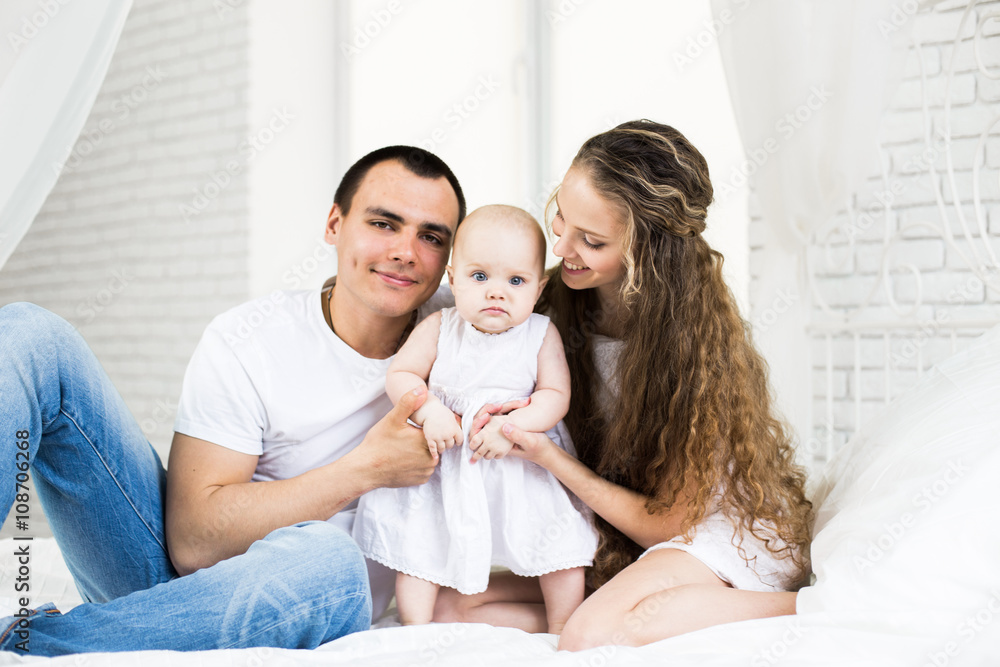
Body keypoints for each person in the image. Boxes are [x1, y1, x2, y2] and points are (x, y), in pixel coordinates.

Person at [0, 145, 465, 655]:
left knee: (329, 560)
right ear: (335, 224)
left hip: (314, 588)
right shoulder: (249, 338)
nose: (406, 251)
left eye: (431, 236)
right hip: (169, 574)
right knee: (30, 335)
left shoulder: (471, 333)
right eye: (383, 223)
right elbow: (194, 541)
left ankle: (30, 644)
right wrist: (367, 469)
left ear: (449, 261)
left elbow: (540, 276)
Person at [433, 120, 814, 651]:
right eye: (561, 217)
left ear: (647, 253)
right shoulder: (556, 304)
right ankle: (639, 597)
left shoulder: (689, 349)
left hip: (710, 533)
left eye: (592, 240)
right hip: (620, 530)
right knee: (453, 606)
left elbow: (669, 525)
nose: (563, 246)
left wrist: (545, 454)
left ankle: (814, 608)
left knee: (591, 635)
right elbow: (464, 322)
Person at [353, 205, 597, 634]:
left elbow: (555, 395)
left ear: (538, 289)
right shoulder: (440, 326)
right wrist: (430, 411)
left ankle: (564, 628)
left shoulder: (541, 333)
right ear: (453, 279)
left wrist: (514, 428)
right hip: (447, 462)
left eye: (515, 281)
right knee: (422, 540)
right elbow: (402, 373)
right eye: (480, 277)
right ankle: (416, 627)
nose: (496, 292)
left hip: (518, 461)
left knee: (557, 543)